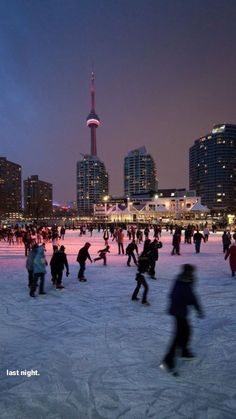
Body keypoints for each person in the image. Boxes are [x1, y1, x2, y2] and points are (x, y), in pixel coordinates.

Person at [160, 264, 204, 375]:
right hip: (178, 312)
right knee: (178, 337)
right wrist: (194, 306)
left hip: (180, 312)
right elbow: (186, 297)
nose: (193, 274)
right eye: (191, 272)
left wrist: (197, 307)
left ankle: (184, 351)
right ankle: (167, 362)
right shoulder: (182, 283)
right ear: (188, 272)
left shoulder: (184, 281)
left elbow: (191, 297)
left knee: (186, 332)